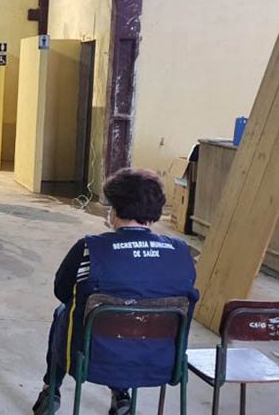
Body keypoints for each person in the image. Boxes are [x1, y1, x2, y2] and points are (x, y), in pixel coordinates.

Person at [31, 168, 199, 415]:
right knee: (136, 317)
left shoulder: (90, 248)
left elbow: (62, 290)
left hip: (92, 358)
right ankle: (121, 394)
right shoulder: (182, 253)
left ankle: (51, 388)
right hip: (159, 360)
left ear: (115, 210)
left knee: (63, 311)